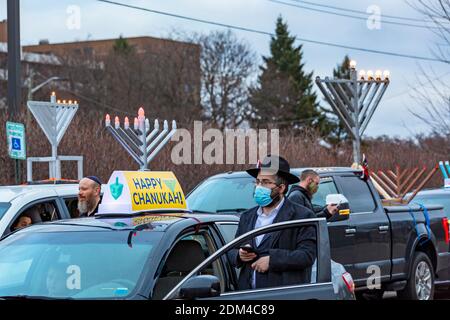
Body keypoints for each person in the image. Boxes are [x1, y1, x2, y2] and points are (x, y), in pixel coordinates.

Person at [232, 155, 317, 290]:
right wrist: (240, 255)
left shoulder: (302, 216)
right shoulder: (247, 217)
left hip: (282, 294)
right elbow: (232, 250)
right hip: (247, 294)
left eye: (265, 182)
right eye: (257, 181)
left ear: (281, 188)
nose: (259, 187)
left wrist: (273, 260)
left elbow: (307, 255)